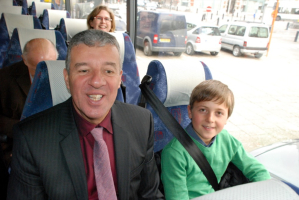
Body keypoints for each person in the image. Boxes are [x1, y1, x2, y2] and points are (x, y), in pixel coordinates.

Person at [7, 30, 163, 200]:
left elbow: (150, 195)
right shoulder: (32, 140)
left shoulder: (141, 122)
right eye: (83, 70)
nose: (96, 81)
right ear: (67, 79)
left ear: (119, 79)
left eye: (108, 71)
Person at [161, 80, 271, 199]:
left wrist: (265, 192)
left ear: (227, 117)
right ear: (190, 112)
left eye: (219, 113)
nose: (210, 119)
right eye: (203, 110)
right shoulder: (174, 153)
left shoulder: (227, 140)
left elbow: (257, 171)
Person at [0, 38, 58, 200]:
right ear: (24, 60)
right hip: (15, 144)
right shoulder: (4, 79)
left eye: (49, 64)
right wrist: (23, 133)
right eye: (38, 67)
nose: (45, 71)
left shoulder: (66, 76)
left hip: (54, 143)